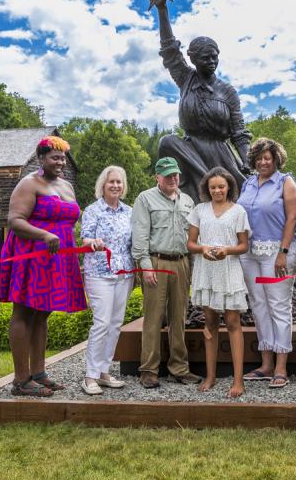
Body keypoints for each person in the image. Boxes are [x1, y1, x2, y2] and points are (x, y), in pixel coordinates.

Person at [0, 135, 93, 397]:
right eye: (55, 157)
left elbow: (69, 219)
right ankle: (21, 380)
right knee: (23, 313)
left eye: (63, 157)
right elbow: (15, 220)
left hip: (57, 256)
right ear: (41, 158)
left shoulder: (67, 186)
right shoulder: (29, 183)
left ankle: (39, 372)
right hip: (31, 254)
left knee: (43, 313)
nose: (60, 162)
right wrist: (44, 235)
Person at [148, 0, 251, 200]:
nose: (212, 62)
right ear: (193, 59)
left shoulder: (228, 91)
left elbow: (240, 133)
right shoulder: (186, 78)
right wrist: (162, 10)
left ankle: (215, 186)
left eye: (215, 57)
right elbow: (169, 50)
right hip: (191, 151)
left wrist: (246, 160)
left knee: (245, 194)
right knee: (167, 142)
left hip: (220, 154)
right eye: (206, 58)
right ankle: (204, 185)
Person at [130, 157, 202, 388]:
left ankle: (179, 368)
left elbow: (192, 237)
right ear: (157, 177)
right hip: (156, 262)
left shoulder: (188, 201)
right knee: (153, 317)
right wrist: (145, 265)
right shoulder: (145, 198)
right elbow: (140, 235)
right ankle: (149, 370)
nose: (173, 178)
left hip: (181, 262)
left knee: (179, 317)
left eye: (176, 174)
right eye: (168, 175)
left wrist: (192, 266)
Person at [238, 138, 296, 388]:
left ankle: (281, 368)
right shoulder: (248, 183)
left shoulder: (286, 182)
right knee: (258, 306)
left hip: (277, 251)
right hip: (250, 253)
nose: (263, 161)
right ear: (253, 160)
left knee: (279, 306)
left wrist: (283, 252)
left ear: (276, 159)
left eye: (268, 157)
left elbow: (293, 217)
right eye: (259, 157)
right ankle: (265, 365)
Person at [187, 167, 251, 398]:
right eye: (213, 187)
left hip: (229, 268)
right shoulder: (199, 210)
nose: (217, 190)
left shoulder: (238, 211)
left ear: (229, 187)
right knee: (211, 323)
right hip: (206, 270)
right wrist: (203, 248)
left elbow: (244, 245)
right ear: (207, 189)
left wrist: (227, 250)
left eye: (221, 186)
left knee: (233, 322)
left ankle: (238, 380)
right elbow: (191, 244)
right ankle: (210, 376)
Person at [79, 166, 135, 396]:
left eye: (119, 182)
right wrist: (93, 242)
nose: (115, 186)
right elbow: (85, 237)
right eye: (111, 182)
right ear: (103, 185)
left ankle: (104, 371)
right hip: (100, 272)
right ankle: (90, 376)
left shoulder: (129, 211)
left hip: (124, 273)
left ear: (123, 186)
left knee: (115, 323)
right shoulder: (93, 210)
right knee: (101, 323)